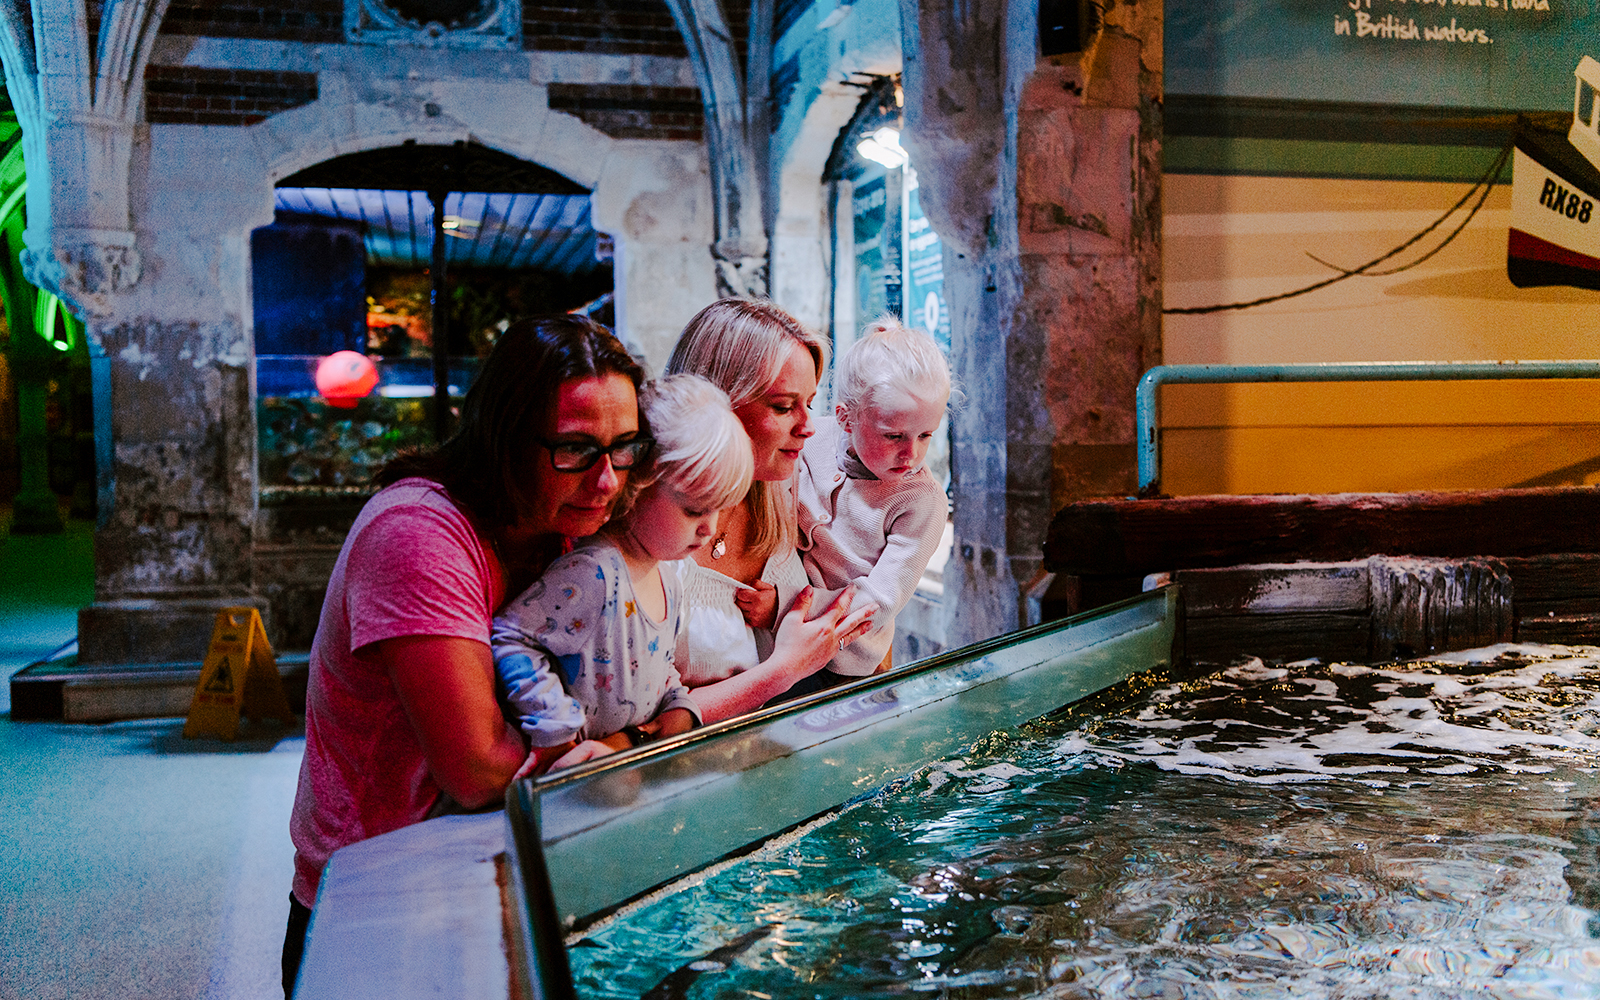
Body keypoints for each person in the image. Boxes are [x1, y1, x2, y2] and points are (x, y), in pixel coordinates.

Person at [282, 316, 646, 996]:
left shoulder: (562, 525)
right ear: (503, 437)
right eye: (574, 449)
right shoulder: (418, 535)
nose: (606, 482)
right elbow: (476, 768)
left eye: (623, 449)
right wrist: (619, 749)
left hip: (496, 863)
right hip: (376, 888)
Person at [490, 374, 754, 770]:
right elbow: (512, 637)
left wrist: (678, 704)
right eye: (694, 509)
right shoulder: (594, 571)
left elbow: (655, 662)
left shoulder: (670, 574)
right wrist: (558, 729)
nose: (710, 528)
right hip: (576, 775)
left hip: (624, 767)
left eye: (718, 509)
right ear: (639, 484)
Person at [663, 298, 875, 722]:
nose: (807, 426)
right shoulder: (656, 537)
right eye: (782, 407)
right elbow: (641, 727)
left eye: (810, 403)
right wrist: (784, 670)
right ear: (716, 405)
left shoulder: (786, 488)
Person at [793, 317, 952, 692]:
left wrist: (788, 608)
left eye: (925, 435)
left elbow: (876, 603)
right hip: (778, 642)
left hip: (846, 662)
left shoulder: (921, 501)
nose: (911, 454)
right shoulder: (806, 441)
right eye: (893, 435)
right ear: (846, 417)